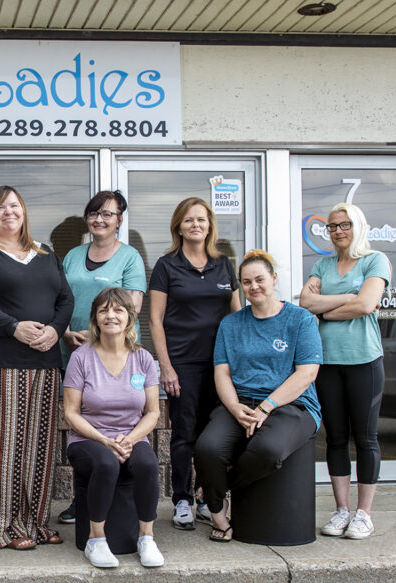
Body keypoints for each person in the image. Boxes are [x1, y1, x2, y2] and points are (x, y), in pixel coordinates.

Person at [0, 185, 74, 550]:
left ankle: (34, 523)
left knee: (38, 450)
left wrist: (56, 331)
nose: (8, 212)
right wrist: (14, 327)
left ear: (23, 211)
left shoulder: (45, 254)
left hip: (43, 363)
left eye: (14, 206)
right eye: (0, 207)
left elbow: (66, 298)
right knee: (1, 447)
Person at [194, 250, 322, 542]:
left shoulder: (300, 320)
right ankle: (217, 514)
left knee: (268, 450)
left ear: (274, 279)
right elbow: (222, 373)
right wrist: (235, 408)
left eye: (260, 279)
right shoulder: (232, 324)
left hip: (293, 405)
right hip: (240, 402)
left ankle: (223, 486)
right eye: (247, 282)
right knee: (207, 448)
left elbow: (306, 374)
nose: (254, 287)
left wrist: (266, 407)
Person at [148, 197, 241, 531]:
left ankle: (206, 499)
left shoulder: (224, 265)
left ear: (209, 225)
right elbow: (156, 321)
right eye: (188, 220)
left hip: (221, 366)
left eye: (201, 220)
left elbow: (237, 315)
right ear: (179, 226)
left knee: (212, 436)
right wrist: (166, 367)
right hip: (183, 363)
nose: (195, 225)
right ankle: (182, 501)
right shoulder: (166, 265)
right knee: (184, 435)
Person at [300, 203, 391, 540]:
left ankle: (364, 514)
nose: (338, 231)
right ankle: (341, 510)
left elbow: (367, 304)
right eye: (333, 226)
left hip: (364, 361)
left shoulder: (374, 260)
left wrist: (330, 307)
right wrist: (348, 299)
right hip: (328, 363)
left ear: (359, 226)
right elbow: (306, 304)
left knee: (365, 438)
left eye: (344, 225)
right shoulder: (322, 264)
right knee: (335, 438)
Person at [58, 190, 147, 525]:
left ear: (119, 220)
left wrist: (99, 337)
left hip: (111, 355)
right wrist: (66, 331)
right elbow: (60, 299)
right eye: (94, 213)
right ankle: (80, 503)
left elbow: (133, 307)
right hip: (72, 353)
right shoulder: (72, 255)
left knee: (106, 423)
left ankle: (111, 501)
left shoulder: (130, 258)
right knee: (79, 428)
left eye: (107, 214)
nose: (99, 219)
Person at [63, 288, 163, 568]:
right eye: (104, 310)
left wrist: (130, 439)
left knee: (147, 463)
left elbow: (153, 411)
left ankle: (146, 538)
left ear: (129, 318)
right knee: (106, 464)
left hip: (130, 437)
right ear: (95, 318)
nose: (111, 316)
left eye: (118, 310)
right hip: (87, 439)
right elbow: (71, 412)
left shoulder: (142, 358)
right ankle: (96, 540)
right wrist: (104, 440)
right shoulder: (81, 358)